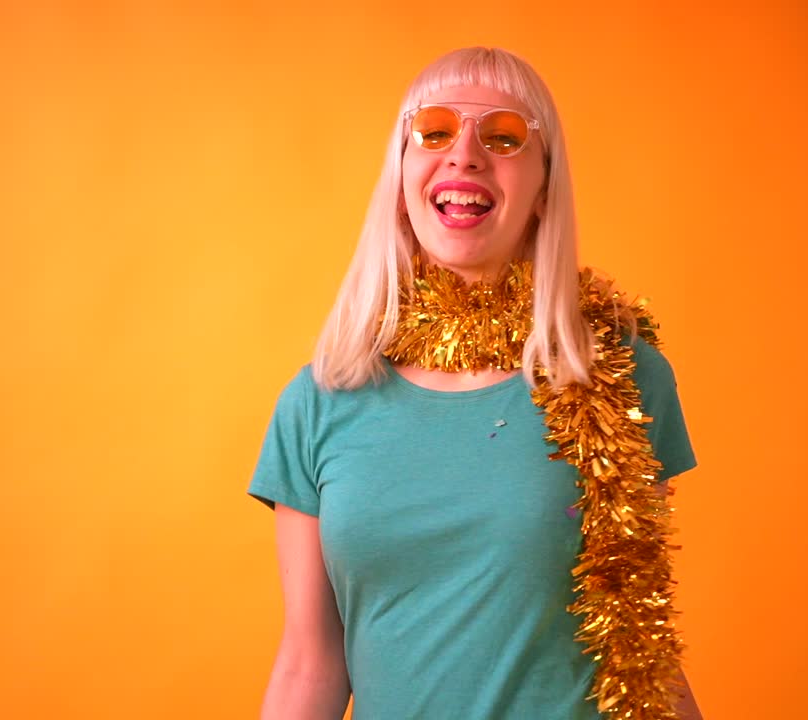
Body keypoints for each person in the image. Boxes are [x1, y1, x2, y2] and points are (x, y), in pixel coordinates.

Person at [247, 47, 702, 720]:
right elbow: (310, 664)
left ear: (544, 187)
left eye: (504, 135)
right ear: (402, 174)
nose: (464, 154)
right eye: (434, 130)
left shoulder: (619, 377)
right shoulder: (321, 400)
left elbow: (641, 647)